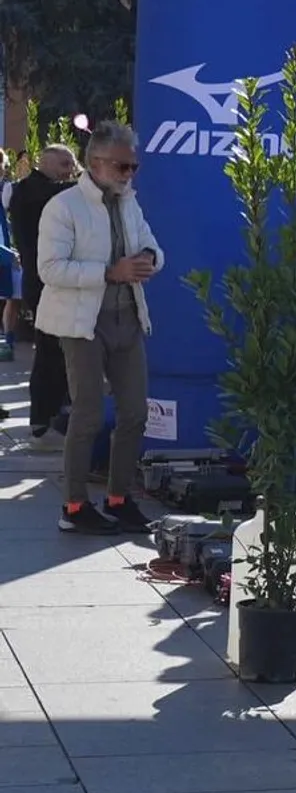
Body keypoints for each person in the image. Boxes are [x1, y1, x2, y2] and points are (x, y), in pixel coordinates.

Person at [36, 124, 163, 536]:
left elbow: (153, 246)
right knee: (87, 414)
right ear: (94, 163)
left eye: (134, 166)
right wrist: (109, 273)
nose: (129, 174)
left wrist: (149, 258)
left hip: (128, 318)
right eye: (122, 166)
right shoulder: (63, 206)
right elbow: (49, 269)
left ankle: (118, 499)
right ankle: (74, 506)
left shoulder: (129, 202)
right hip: (82, 324)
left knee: (135, 413)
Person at [12, 142, 79, 445]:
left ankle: (56, 417)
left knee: (61, 353)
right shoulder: (30, 190)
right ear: (46, 163)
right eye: (65, 165)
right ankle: (42, 423)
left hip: (53, 284)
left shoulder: (47, 192)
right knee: (50, 353)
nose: (71, 171)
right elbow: (57, 195)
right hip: (43, 285)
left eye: (73, 165)